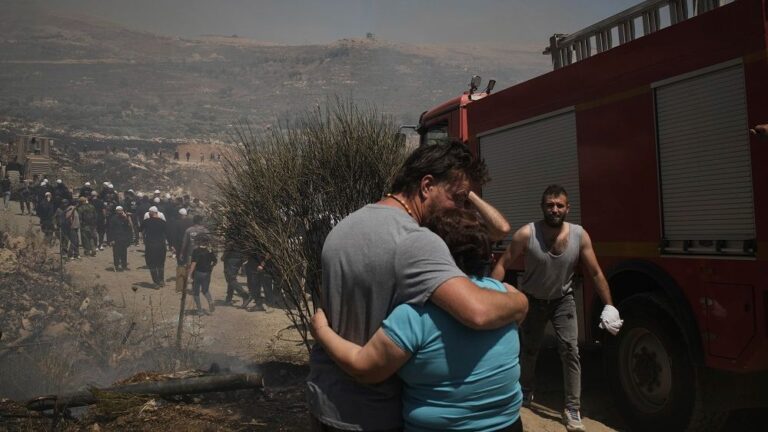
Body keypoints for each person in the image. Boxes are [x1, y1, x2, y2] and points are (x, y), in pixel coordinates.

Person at [306, 139, 527, 431]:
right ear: (426, 186)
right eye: (457, 198)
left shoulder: (345, 227)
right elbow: (478, 312)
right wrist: (521, 302)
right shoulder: (416, 241)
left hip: (326, 402)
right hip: (377, 416)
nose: (459, 209)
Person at [491, 184, 623, 432]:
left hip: (563, 301)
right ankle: (526, 390)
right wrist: (487, 291)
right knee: (529, 350)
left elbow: (594, 272)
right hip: (533, 301)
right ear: (542, 207)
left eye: (559, 205)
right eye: (550, 205)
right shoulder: (527, 234)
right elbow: (504, 262)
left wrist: (610, 305)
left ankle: (573, 407)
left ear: (567, 208)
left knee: (570, 351)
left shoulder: (579, 235)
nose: (555, 209)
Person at [187, 234, 217, 315]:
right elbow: (215, 261)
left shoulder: (196, 251)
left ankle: (200, 310)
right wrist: (211, 267)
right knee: (205, 290)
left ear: (199, 241)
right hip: (207, 273)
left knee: (196, 292)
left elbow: (193, 264)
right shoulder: (210, 251)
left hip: (198, 273)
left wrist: (189, 275)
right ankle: (210, 302)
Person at [169, 208, 194, 292]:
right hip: (190, 245)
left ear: (180, 214)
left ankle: (181, 282)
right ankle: (189, 278)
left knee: (180, 263)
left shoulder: (176, 222)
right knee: (189, 262)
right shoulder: (191, 222)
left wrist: (172, 245)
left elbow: (173, 234)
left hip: (180, 246)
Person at [142, 206, 168, 287]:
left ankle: (156, 282)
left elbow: (140, 229)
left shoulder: (146, 221)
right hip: (161, 246)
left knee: (152, 264)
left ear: (151, 213)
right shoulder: (163, 222)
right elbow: (168, 234)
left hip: (150, 246)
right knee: (160, 264)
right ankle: (161, 281)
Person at [108, 206, 134, 271]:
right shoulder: (113, 219)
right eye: (118, 210)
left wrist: (128, 217)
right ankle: (116, 266)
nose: (120, 212)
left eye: (121, 210)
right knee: (116, 253)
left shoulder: (125, 218)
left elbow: (130, 227)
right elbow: (110, 230)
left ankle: (124, 266)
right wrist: (112, 239)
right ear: (116, 211)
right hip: (116, 238)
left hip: (124, 238)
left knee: (124, 253)